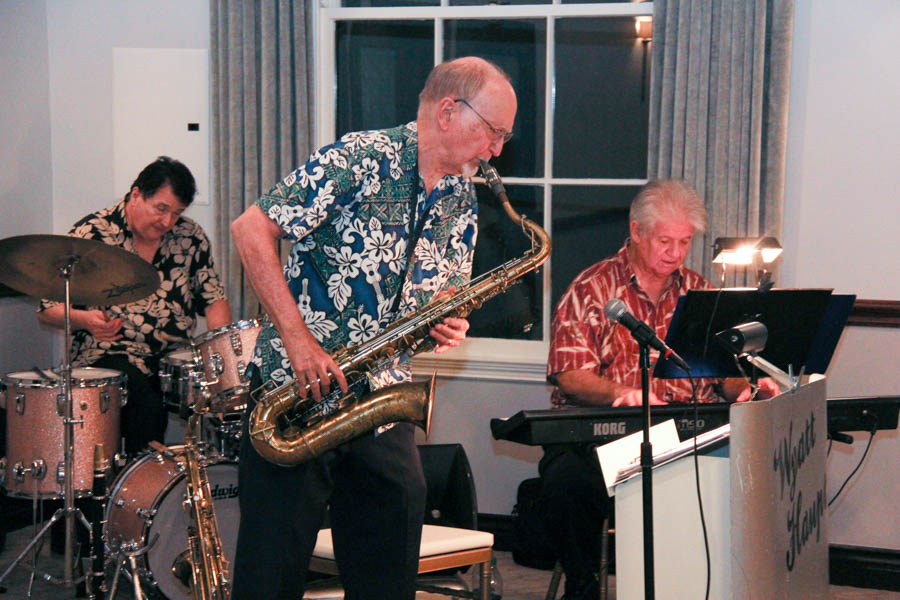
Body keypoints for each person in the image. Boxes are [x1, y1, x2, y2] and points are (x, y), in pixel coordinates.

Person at [229, 56, 517, 599]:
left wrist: (446, 321)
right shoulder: (360, 157)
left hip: (380, 404)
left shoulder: (463, 198)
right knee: (270, 577)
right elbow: (250, 228)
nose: (497, 149)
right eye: (493, 132)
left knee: (387, 578)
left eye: (503, 137)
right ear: (449, 112)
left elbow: (439, 295)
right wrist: (298, 340)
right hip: (298, 395)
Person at [540, 179, 779, 600]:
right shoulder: (591, 289)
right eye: (665, 240)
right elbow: (569, 375)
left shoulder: (699, 291)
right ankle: (583, 586)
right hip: (609, 435)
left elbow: (725, 373)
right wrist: (621, 394)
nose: (675, 252)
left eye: (684, 242)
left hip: (688, 434)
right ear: (636, 231)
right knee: (565, 482)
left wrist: (746, 388)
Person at [37, 156, 232, 456]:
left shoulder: (190, 237)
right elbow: (48, 310)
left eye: (176, 213)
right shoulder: (93, 234)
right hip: (110, 353)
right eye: (161, 209)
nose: (167, 222)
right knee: (145, 403)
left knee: (232, 400)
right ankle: (137, 492)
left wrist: (225, 364)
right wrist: (87, 320)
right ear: (136, 195)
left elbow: (214, 300)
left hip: (173, 359)